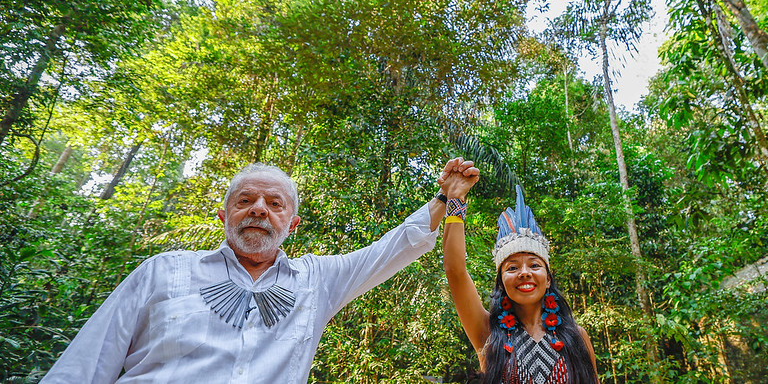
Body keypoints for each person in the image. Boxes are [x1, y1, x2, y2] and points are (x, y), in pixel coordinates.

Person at [42, 158, 480, 383]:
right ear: (223, 215)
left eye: (274, 204)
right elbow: (85, 365)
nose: (258, 210)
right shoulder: (163, 272)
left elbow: (390, 250)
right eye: (245, 200)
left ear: (291, 224)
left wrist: (447, 198)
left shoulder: (315, 281)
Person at [442, 184, 598, 383]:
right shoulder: (488, 332)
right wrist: (455, 197)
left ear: (548, 279)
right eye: (512, 268)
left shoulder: (577, 337)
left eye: (534, 265)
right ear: (501, 283)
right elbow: (454, 271)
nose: (524, 273)